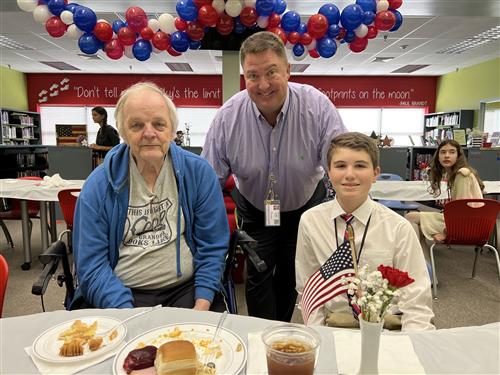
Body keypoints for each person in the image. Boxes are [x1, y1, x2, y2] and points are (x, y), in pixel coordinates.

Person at [202, 31, 347, 322]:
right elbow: (209, 181)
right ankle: (259, 333)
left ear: (288, 71)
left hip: (305, 204)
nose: (264, 85)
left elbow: (339, 164)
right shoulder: (228, 116)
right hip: (256, 209)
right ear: (244, 77)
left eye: (272, 72)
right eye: (253, 75)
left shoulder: (317, 107)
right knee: (258, 272)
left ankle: (279, 330)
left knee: (292, 271)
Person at [71, 82, 229, 311]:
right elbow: (91, 266)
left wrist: (201, 305)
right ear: (122, 131)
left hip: (187, 290)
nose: (149, 133)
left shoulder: (199, 174)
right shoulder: (98, 186)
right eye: (136, 125)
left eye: (159, 124)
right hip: (120, 294)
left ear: (172, 130)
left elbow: (212, 246)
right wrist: (128, 313)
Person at [295, 132, 434, 331]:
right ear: (329, 172)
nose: (350, 174)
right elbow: (308, 288)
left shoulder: (398, 227)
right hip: (334, 326)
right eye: (341, 165)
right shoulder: (311, 221)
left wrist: (408, 350)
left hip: (386, 327)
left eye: (360, 165)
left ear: (375, 173)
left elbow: (416, 300)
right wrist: (318, 336)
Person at [405, 139, 484, 259]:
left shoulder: (462, 175)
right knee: (416, 225)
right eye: (443, 152)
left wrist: (446, 233)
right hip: (469, 222)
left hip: (467, 225)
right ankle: (424, 266)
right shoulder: (457, 173)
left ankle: (421, 266)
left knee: (411, 217)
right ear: (438, 156)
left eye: (452, 152)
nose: (447, 155)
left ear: (458, 156)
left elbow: (462, 210)